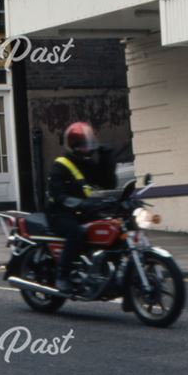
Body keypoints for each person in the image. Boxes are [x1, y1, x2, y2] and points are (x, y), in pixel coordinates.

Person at [45, 121, 117, 292]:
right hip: (59, 214)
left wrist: (107, 159)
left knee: (110, 226)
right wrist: (80, 203)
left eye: (89, 144)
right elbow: (58, 195)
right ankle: (62, 275)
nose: (87, 149)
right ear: (73, 146)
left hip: (82, 211)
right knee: (76, 232)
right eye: (83, 145)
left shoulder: (88, 163)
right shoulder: (60, 165)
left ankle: (103, 269)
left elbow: (108, 183)